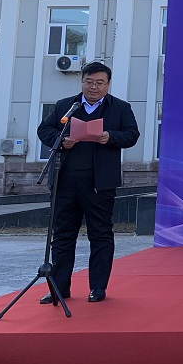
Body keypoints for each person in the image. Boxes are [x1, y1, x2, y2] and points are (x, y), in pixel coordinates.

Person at [36, 62, 140, 304]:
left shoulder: (120, 108)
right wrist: (62, 140)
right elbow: (44, 129)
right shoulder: (66, 106)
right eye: (89, 82)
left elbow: (132, 135)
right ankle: (59, 288)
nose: (94, 87)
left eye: (99, 83)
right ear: (81, 82)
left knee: (100, 235)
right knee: (62, 236)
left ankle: (98, 288)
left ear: (108, 84)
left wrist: (110, 137)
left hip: (99, 183)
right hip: (65, 182)